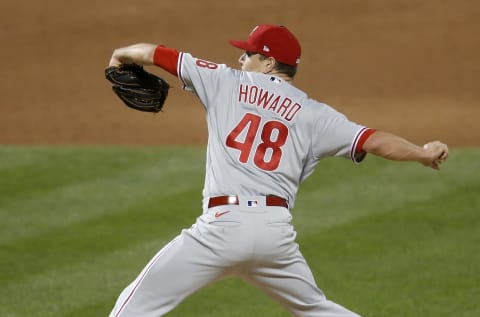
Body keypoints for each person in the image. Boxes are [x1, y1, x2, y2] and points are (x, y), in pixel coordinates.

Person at [107, 24, 448, 317]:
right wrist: (422, 153)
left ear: (268, 62)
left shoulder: (226, 81)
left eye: (248, 54)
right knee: (316, 309)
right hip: (275, 236)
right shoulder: (316, 113)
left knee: (135, 305)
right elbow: (376, 142)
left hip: (221, 230)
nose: (240, 60)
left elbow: (157, 53)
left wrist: (119, 54)